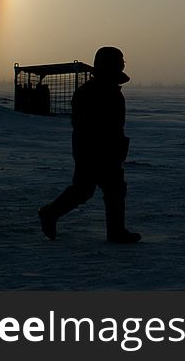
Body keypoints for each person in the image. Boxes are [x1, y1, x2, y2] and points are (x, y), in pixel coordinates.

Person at [38, 46, 141, 243]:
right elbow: (85, 125)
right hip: (94, 150)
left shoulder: (109, 89)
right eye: (119, 62)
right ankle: (115, 232)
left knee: (90, 189)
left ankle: (51, 213)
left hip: (105, 149)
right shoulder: (91, 92)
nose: (122, 65)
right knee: (108, 188)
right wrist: (102, 147)